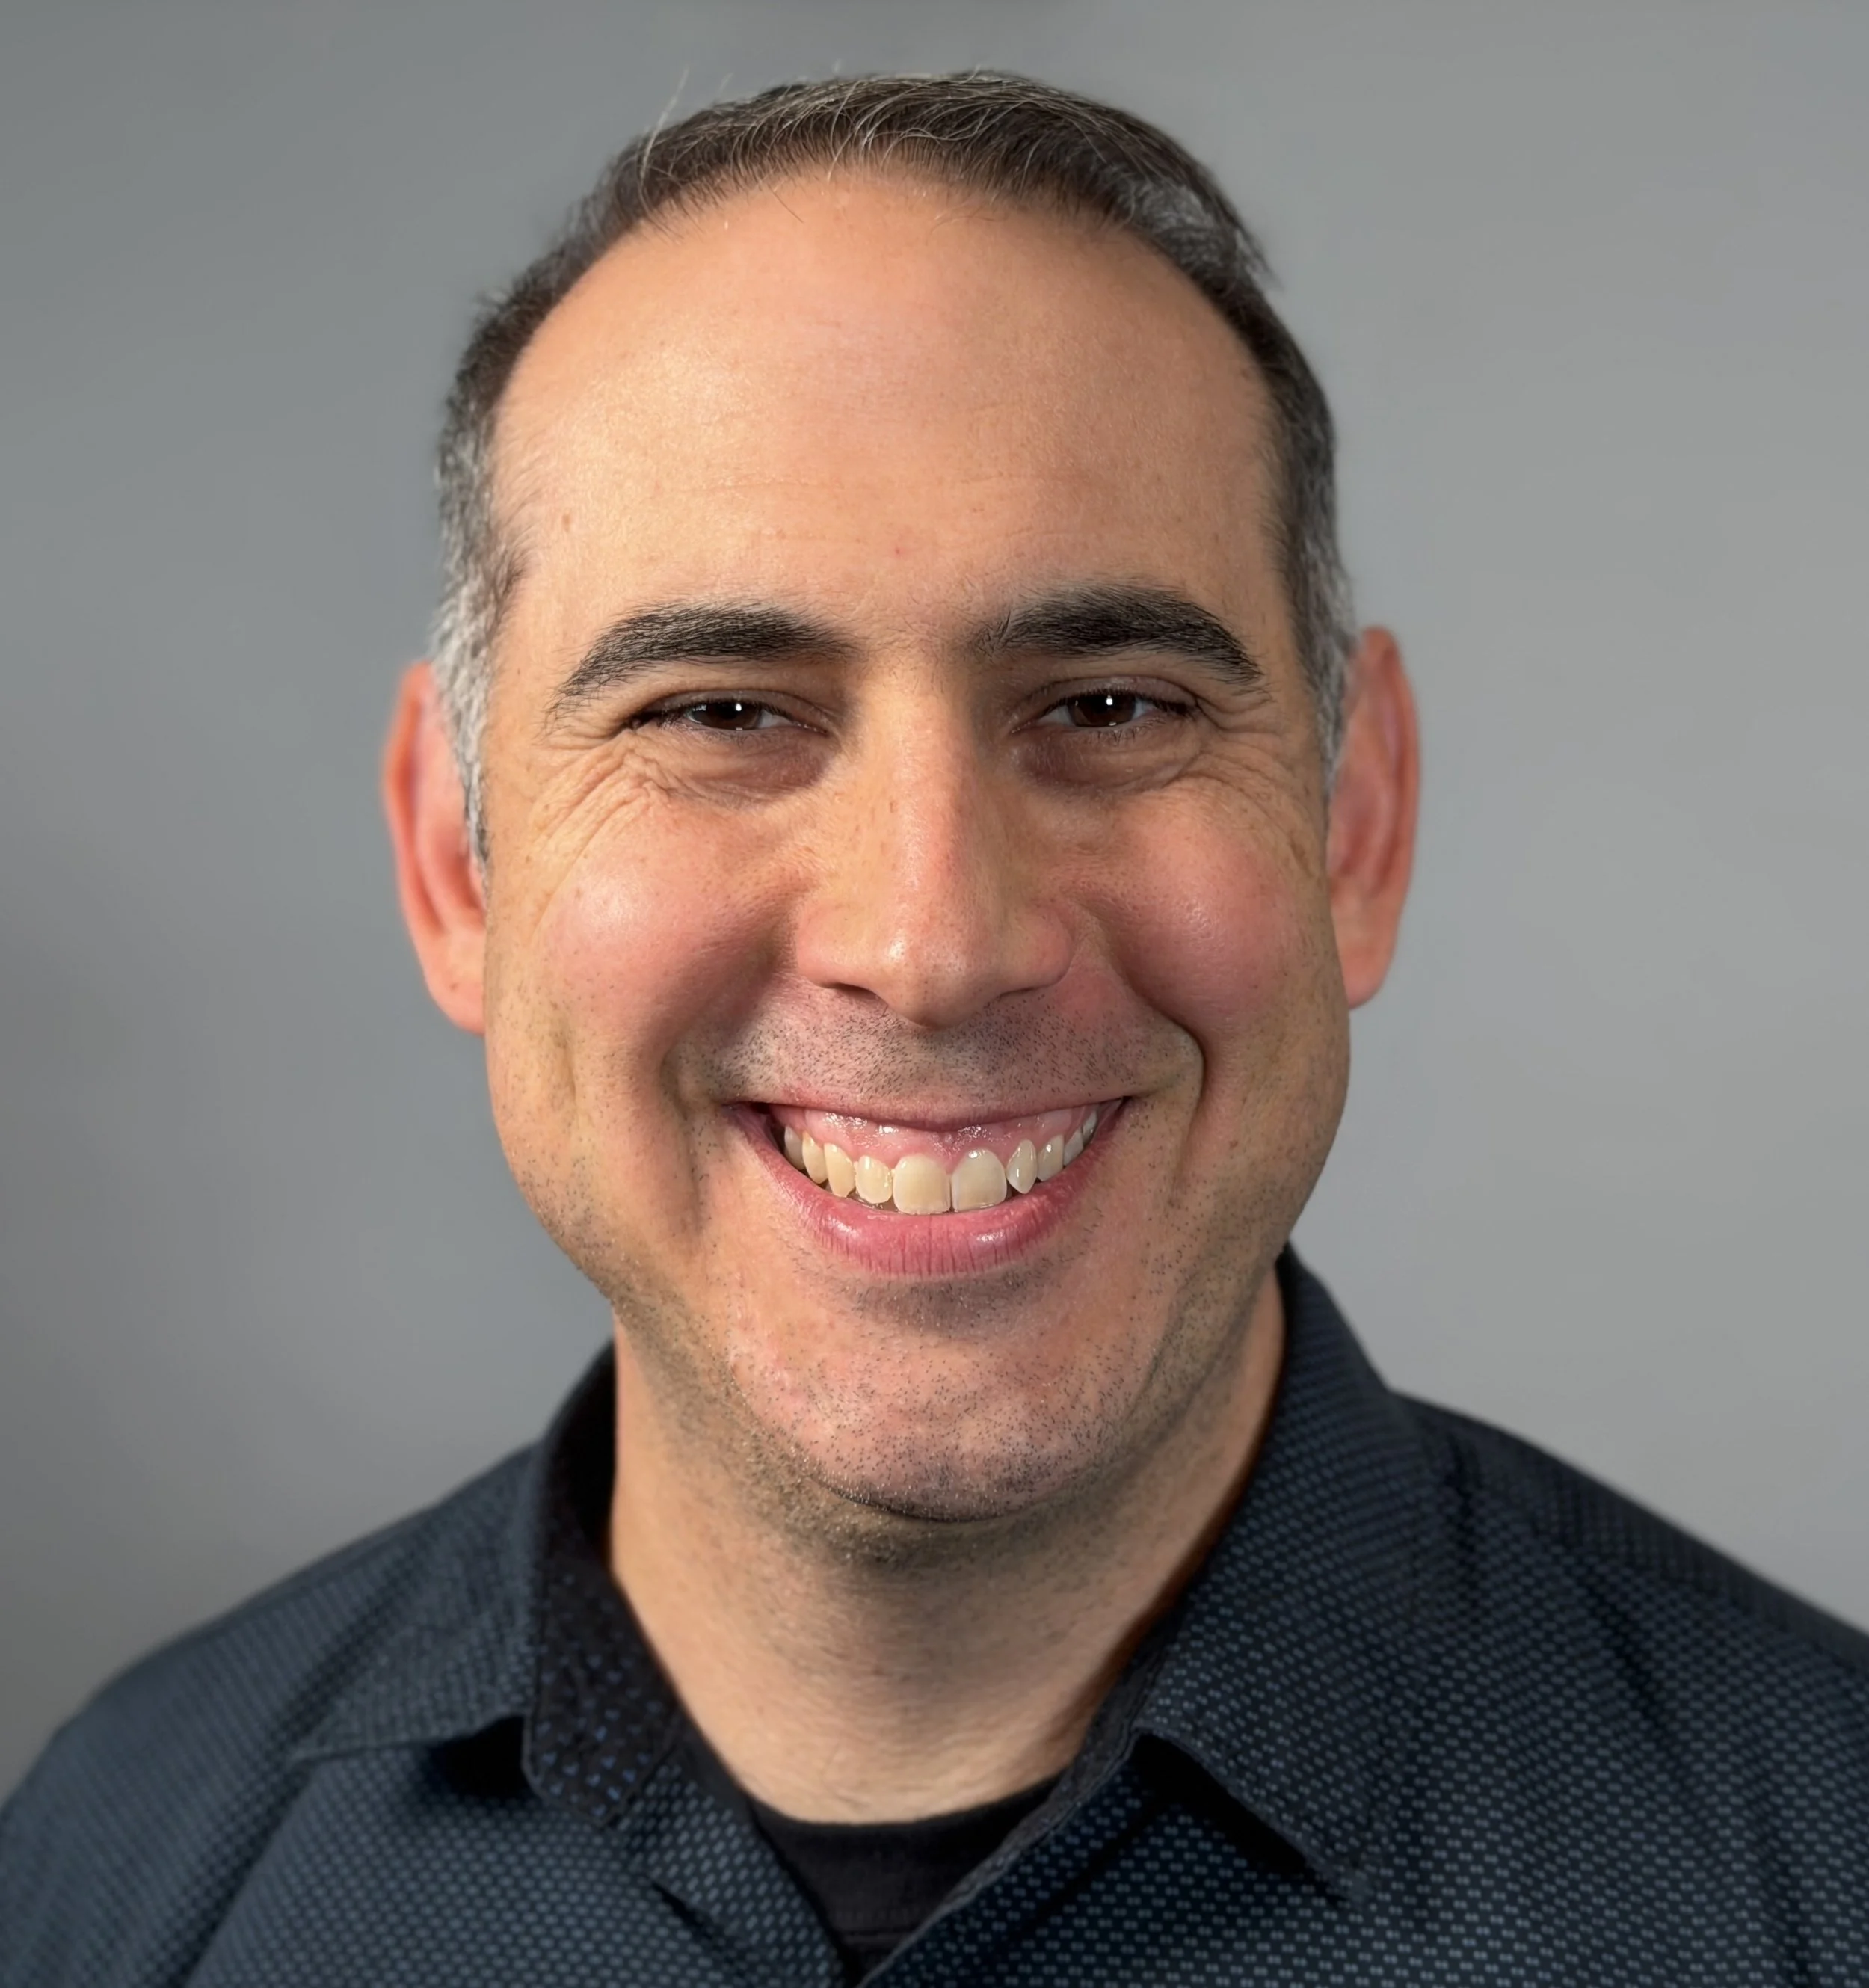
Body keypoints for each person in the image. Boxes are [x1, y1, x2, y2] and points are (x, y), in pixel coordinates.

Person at [3, 71, 1864, 1988]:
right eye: (723, 713)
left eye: (1112, 706)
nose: (932, 940)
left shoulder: (1822, 1867)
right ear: (452, 863)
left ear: (1352, 826)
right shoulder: (125, 1869)